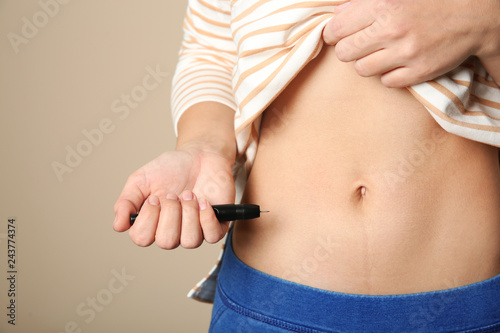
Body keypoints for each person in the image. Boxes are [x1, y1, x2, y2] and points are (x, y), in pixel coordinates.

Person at [113, 0, 500, 331]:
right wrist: (202, 145)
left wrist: (487, 23)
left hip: (475, 307)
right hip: (271, 307)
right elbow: (211, 53)